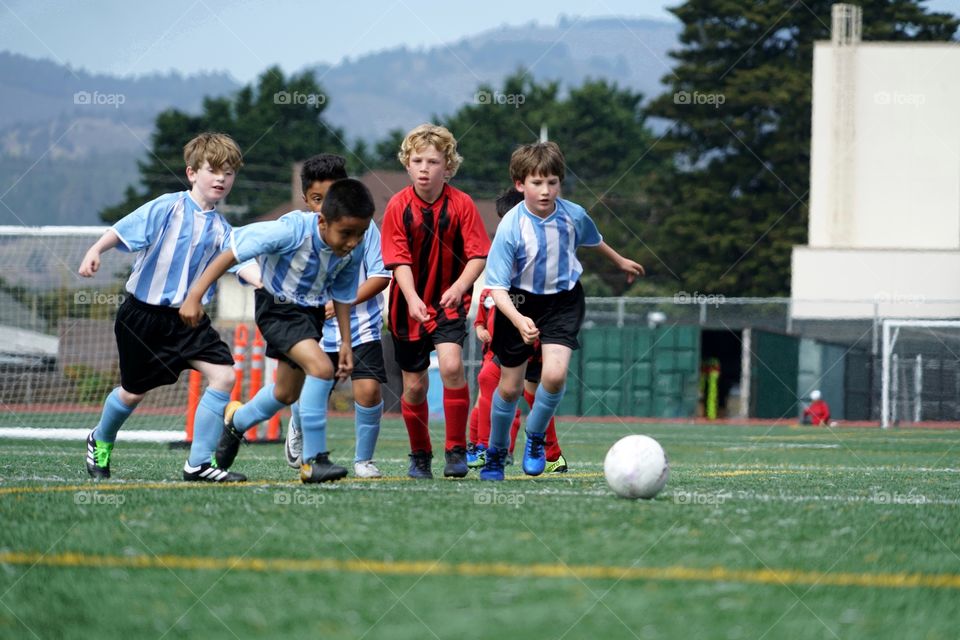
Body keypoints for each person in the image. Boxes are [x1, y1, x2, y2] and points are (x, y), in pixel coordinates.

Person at [180, 178, 375, 483]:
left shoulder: (353, 249)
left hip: (310, 315)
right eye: (346, 233)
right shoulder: (289, 231)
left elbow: (342, 293)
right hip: (277, 309)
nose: (353, 241)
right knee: (322, 368)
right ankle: (313, 461)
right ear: (322, 221)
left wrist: (347, 343)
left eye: (360, 234)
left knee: (286, 393)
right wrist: (194, 296)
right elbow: (231, 252)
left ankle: (236, 422)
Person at [78, 132, 247, 482]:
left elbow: (243, 263)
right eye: (213, 169)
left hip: (189, 319)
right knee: (132, 392)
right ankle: (101, 437)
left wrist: (268, 284)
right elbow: (123, 229)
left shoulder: (223, 229)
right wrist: (95, 250)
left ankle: (198, 464)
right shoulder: (167, 206)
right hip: (143, 317)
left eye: (228, 172)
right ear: (191, 173)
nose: (221, 178)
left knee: (223, 375)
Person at [480, 141, 644, 481]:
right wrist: (518, 319)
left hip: (563, 300)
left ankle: (536, 438)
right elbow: (496, 286)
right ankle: (496, 453)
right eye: (537, 183)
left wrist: (620, 260)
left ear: (560, 183)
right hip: (518, 302)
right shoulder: (511, 226)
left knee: (554, 376)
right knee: (509, 388)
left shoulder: (573, 214)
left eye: (552, 182)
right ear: (520, 184)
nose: (545, 190)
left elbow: (593, 238)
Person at [380, 124, 490, 479]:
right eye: (417, 161)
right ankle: (420, 455)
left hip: (448, 305)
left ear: (448, 166)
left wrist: (459, 287)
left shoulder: (462, 204)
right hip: (406, 308)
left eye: (433, 161)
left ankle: (456, 451)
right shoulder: (398, 206)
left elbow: (477, 256)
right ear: (407, 165)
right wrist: (411, 298)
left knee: (452, 366)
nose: (424, 168)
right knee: (414, 386)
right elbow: (399, 261)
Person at [283, 154, 392, 479]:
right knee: (307, 392)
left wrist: (342, 300)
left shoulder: (364, 226)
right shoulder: (297, 229)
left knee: (369, 390)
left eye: (330, 197)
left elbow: (381, 274)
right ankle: (299, 425)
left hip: (361, 326)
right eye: (317, 199)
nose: (323, 206)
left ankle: (364, 460)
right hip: (313, 328)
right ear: (306, 199)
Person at [468, 188, 566, 472]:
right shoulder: (506, 246)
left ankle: (546, 454)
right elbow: (493, 293)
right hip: (512, 334)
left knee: (535, 391)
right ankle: (489, 448)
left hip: (537, 334)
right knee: (492, 380)